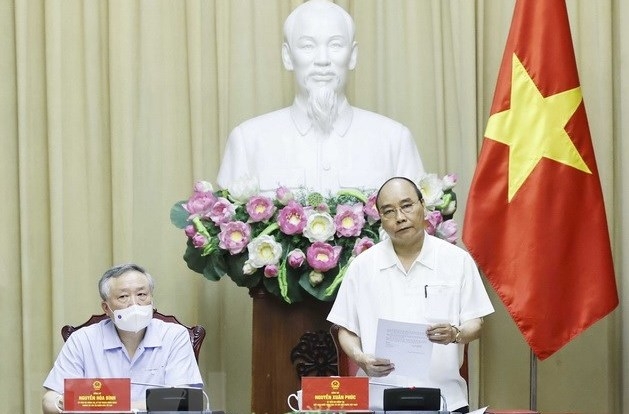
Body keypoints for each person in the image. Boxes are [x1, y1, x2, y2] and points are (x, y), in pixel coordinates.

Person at [217, 0, 424, 195]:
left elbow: (416, 226)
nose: (322, 60)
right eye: (308, 46)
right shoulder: (248, 141)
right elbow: (224, 227)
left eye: (335, 45)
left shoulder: (394, 141)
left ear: (352, 55)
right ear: (288, 57)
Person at [327, 177, 494, 413]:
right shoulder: (362, 266)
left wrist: (455, 334)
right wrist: (361, 358)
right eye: (388, 211)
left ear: (422, 206)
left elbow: (476, 323)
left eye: (407, 205)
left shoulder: (457, 261)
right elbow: (346, 329)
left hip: (444, 400)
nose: (400, 217)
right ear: (381, 220)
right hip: (377, 401)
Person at [42, 263, 203, 413]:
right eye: (123, 297)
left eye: (142, 294)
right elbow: (49, 401)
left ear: (151, 300)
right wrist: (65, 401)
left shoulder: (174, 336)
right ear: (106, 307)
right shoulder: (82, 340)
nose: (134, 304)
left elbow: (186, 401)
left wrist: (108, 405)